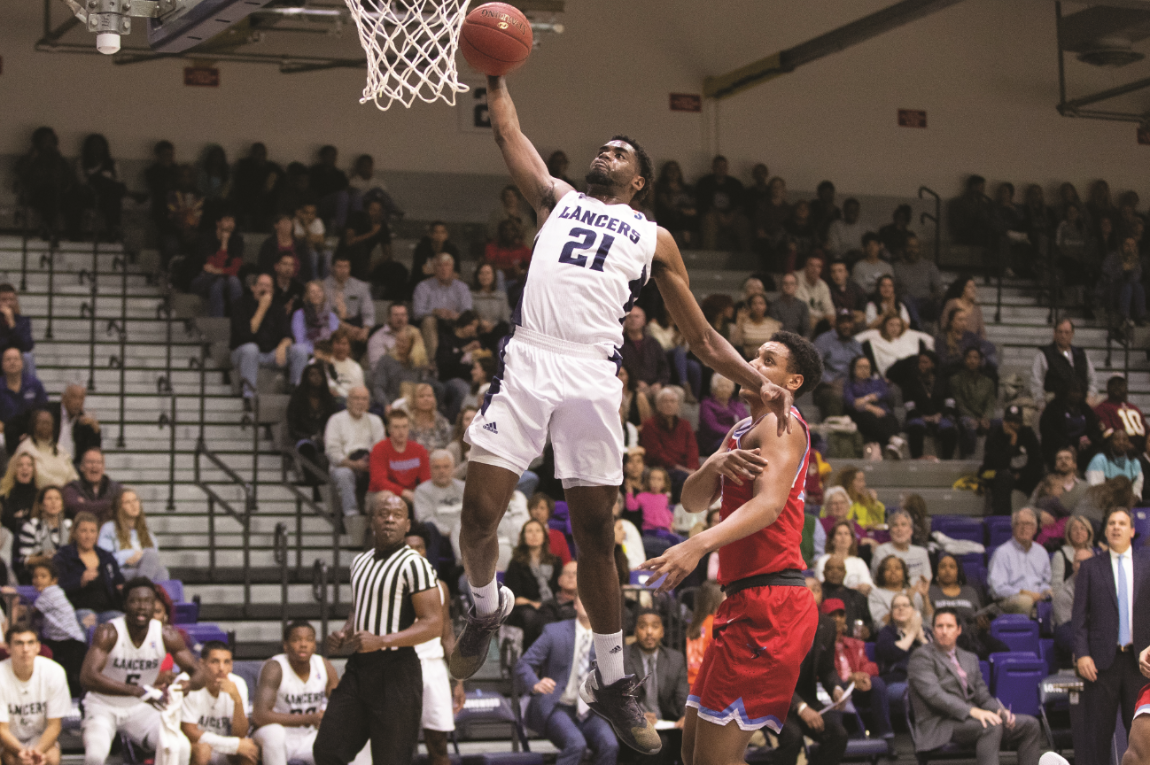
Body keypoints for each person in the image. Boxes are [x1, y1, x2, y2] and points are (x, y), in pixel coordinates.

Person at [450, 75, 797, 758]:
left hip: (589, 373)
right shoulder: (559, 197)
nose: (604, 153)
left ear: (639, 181)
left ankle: (612, 679)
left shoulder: (654, 237)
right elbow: (508, 132)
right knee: (479, 514)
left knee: (596, 530)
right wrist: (495, 74)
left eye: (619, 152)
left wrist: (759, 379)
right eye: (602, 148)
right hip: (529, 358)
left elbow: (701, 338)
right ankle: (486, 607)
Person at [637, 333, 823, 765]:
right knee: (692, 754)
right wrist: (713, 464)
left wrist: (697, 545)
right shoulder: (740, 429)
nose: (752, 363)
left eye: (768, 360)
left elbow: (769, 505)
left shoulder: (782, 424)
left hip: (773, 603)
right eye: (755, 355)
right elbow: (692, 501)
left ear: (792, 382)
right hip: (742, 600)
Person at [316, 494, 442, 765]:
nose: (389, 520)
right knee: (327, 749)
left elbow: (433, 624)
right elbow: (360, 608)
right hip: (359, 668)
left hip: (397, 670)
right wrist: (345, 632)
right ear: (372, 520)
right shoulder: (360, 562)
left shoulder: (415, 564)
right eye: (383, 514)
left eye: (397, 515)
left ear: (407, 524)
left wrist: (382, 640)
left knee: (391, 760)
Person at [80, 578, 204, 765]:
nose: (142, 607)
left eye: (147, 601)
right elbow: (87, 678)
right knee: (95, 756)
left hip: (140, 707)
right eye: (135, 601)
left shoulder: (166, 634)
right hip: (103, 705)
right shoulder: (109, 632)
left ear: (154, 605)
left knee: (180, 746)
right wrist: (137, 690)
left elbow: (200, 673)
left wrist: (189, 684)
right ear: (125, 604)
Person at [908, 609, 1042, 765]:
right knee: (990, 726)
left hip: (971, 720)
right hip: (940, 724)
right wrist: (972, 711)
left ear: (958, 630)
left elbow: (982, 696)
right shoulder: (921, 657)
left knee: (1030, 725)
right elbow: (935, 695)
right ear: (933, 630)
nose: (944, 631)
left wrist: (1000, 711)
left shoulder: (969, 658)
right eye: (940, 626)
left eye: (949, 626)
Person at [1072, 507, 1150, 765]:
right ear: (1105, 531)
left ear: (1132, 530)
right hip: (1101, 662)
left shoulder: (1147, 563)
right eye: (1112, 523)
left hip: (1140, 662)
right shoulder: (1090, 567)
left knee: (1141, 737)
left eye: (1122, 523)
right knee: (1098, 735)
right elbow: (1079, 617)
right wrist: (1082, 654)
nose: (1116, 527)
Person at [515, 593, 620, 765]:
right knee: (576, 744)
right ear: (575, 604)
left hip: (590, 711)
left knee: (610, 744)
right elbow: (524, 664)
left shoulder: (609, 640)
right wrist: (535, 683)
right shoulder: (554, 631)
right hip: (557, 705)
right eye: (584, 598)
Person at [401, 530, 465, 765]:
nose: (415, 552)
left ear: (426, 552)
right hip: (402, 666)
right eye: (408, 548)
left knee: (439, 743)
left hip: (435, 667)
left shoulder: (441, 587)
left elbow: (446, 635)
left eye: (419, 547)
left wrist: (458, 680)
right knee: (401, 745)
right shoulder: (391, 586)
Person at [775, 584, 849, 765]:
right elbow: (775, 676)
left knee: (838, 735)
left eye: (815, 588)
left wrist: (836, 688)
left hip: (806, 696)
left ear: (821, 595)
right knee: (793, 737)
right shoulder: (779, 623)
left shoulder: (827, 625)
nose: (810, 592)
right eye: (804, 587)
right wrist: (801, 707)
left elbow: (827, 669)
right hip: (774, 701)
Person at [251, 621, 339, 765]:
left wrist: (328, 715)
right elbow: (259, 716)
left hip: (309, 736)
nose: (303, 644)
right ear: (286, 645)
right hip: (280, 736)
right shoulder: (275, 667)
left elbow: (341, 704)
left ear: (314, 645)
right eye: (296, 640)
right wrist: (309, 718)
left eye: (309, 640)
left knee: (350, 735)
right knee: (275, 734)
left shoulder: (324, 666)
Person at [619, 609, 689, 765]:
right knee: (657, 745)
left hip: (666, 722)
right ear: (635, 631)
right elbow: (618, 698)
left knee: (692, 738)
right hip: (634, 725)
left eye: (655, 626)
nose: (649, 632)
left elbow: (682, 695)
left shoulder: (675, 659)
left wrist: (686, 715)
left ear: (662, 632)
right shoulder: (623, 659)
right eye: (643, 626)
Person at [0, 623, 71, 765]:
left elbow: (54, 725)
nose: (25, 649)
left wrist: (37, 752)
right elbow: (2, 728)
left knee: (51, 758)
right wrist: (21, 752)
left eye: (30, 643)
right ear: (8, 648)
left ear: (38, 647)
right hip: (8, 739)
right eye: (19, 643)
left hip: (39, 737)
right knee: (12, 760)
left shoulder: (54, 672)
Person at [231, 273, 310, 396]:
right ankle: (249, 395)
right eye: (261, 285)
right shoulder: (240, 304)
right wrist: (262, 308)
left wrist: (283, 345)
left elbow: (288, 335)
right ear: (253, 287)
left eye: (268, 286)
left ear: (272, 291)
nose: (264, 289)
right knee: (251, 348)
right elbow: (246, 335)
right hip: (244, 353)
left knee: (300, 349)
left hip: (271, 354)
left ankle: (298, 393)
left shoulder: (278, 307)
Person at [180, 641, 258, 765]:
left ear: (231, 666)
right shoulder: (189, 682)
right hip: (196, 746)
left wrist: (237, 700)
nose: (221, 668)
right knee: (202, 750)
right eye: (215, 662)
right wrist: (232, 745)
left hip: (223, 748)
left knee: (249, 752)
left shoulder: (238, 683)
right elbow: (189, 732)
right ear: (202, 664)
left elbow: (240, 734)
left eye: (226, 662)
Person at [825, 598, 892, 739]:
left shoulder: (855, 644)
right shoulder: (820, 646)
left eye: (841, 615)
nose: (837, 619)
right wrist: (850, 678)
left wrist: (861, 675)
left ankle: (886, 735)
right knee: (839, 685)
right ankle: (846, 737)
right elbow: (823, 672)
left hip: (856, 688)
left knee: (877, 683)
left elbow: (871, 666)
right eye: (832, 615)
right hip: (834, 689)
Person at [26, 556, 86, 695]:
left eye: (43, 576)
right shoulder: (54, 592)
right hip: (58, 639)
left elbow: (31, 612)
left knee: (73, 677)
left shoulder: (50, 593)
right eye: (35, 577)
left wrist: (14, 601)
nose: (38, 580)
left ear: (53, 580)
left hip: (70, 641)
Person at [324, 387, 385, 518]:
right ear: (348, 401)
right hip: (344, 464)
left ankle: (377, 515)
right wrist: (353, 464)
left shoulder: (376, 421)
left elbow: (380, 448)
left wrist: (370, 463)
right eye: (356, 398)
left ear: (368, 403)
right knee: (344, 474)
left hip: (370, 464)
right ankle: (352, 515)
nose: (360, 402)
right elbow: (332, 451)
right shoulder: (336, 420)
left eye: (364, 399)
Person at [54, 511, 122, 627]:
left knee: (120, 621)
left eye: (92, 531)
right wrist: (80, 581)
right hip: (77, 609)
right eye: (83, 531)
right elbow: (56, 587)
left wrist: (122, 586)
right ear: (74, 533)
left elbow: (118, 580)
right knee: (88, 618)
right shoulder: (63, 555)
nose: (88, 536)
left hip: (107, 610)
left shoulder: (106, 556)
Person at [980, 405, 1043, 516]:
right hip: (990, 473)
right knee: (1004, 476)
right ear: (1003, 421)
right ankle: (1001, 518)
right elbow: (1000, 463)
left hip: (1019, 475)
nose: (1012, 424)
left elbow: (1037, 461)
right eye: (1009, 420)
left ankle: (1031, 515)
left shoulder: (1028, 434)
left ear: (1021, 423)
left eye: (1016, 421)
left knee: (1040, 476)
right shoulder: (994, 434)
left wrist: (1021, 475)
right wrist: (1012, 441)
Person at [987, 507, 1051, 615]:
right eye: (1019, 524)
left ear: (1035, 529)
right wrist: (1024, 593)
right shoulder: (1002, 552)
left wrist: (1045, 592)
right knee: (1025, 601)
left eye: (1028, 524)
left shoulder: (1041, 552)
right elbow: (997, 589)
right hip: (1010, 600)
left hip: (1038, 597)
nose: (1024, 528)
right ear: (1013, 528)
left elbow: (1046, 582)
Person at [639, 388, 700, 500]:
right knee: (682, 477)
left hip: (686, 469)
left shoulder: (685, 425)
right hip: (663, 468)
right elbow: (656, 454)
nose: (669, 404)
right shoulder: (650, 425)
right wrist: (684, 470)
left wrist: (692, 469)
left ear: (678, 405)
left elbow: (692, 449)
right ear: (658, 405)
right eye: (665, 401)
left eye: (672, 401)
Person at [96, 489, 169, 582]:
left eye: (135, 500)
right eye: (128, 502)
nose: (133, 505)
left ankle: (142, 587)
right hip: (119, 571)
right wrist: (127, 557)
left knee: (162, 571)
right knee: (151, 557)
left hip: (141, 570)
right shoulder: (109, 528)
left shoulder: (148, 533)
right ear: (119, 507)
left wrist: (142, 557)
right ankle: (142, 587)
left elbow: (153, 560)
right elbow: (103, 557)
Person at [412, 450, 465, 573]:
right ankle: (432, 577)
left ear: (453, 468)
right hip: (441, 538)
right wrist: (450, 532)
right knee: (428, 527)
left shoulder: (464, 487)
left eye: (446, 467)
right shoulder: (422, 491)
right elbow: (425, 519)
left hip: (466, 534)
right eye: (437, 467)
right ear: (430, 469)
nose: (442, 471)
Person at [412, 254, 472, 360]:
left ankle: (462, 360)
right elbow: (417, 312)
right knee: (429, 321)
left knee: (467, 323)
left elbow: (467, 311)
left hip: (454, 322)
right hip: (433, 323)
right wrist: (434, 312)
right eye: (440, 265)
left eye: (447, 265)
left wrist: (456, 315)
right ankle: (433, 361)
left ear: (452, 268)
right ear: (434, 268)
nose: (443, 269)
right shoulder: (423, 287)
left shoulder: (462, 288)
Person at [843, 355, 904, 459]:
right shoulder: (850, 384)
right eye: (861, 367)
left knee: (891, 419)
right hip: (861, 414)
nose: (864, 370)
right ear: (854, 369)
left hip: (881, 412)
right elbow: (852, 402)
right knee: (868, 419)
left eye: (867, 367)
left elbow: (884, 393)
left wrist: (863, 400)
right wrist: (869, 402)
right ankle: (892, 440)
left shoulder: (876, 381)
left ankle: (893, 447)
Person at [368, 410, 430, 505]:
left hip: (411, 492)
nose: (401, 431)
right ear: (389, 429)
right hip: (381, 493)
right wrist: (403, 492)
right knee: (388, 497)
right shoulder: (379, 449)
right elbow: (379, 481)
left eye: (404, 427)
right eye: (396, 427)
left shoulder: (419, 449)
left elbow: (426, 479)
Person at [286, 362, 339, 475]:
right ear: (306, 378)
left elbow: (335, 423)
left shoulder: (329, 399)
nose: (316, 377)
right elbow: (292, 428)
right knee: (307, 448)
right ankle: (314, 480)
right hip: (304, 439)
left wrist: (325, 437)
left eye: (319, 374)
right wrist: (311, 437)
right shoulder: (297, 398)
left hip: (326, 439)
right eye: (312, 374)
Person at [1031, 319, 1098, 404]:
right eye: (1060, 332)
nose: (1063, 336)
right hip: (1055, 403)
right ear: (1055, 333)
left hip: (1081, 402)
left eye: (1067, 332)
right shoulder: (1044, 354)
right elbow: (1036, 382)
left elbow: (1092, 379)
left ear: (1072, 334)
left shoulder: (1081, 354)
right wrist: (1041, 403)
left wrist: (1091, 396)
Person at [190, 213, 244, 318]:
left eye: (233, 221)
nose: (231, 224)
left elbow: (235, 268)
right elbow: (214, 266)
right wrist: (224, 244)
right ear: (218, 223)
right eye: (227, 220)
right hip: (203, 278)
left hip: (224, 277)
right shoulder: (206, 238)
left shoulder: (237, 240)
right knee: (218, 283)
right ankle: (217, 322)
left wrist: (219, 271)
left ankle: (239, 320)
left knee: (234, 281)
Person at [16, 488, 70, 585]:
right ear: (41, 505)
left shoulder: (69, 526)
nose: (53, 502)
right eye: (49, 498)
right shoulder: (31, 527)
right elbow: (24, 560)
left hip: (68, 575)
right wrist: (44, 558)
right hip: (39, 577)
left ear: (62, 504)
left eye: (57, 498)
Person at [12, 410, 77, 490]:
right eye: (42, 423)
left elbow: (73, 476)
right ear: (34, 425)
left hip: (64, 493)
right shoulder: (25, 448)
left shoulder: (60, 449)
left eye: (48, 423)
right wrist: (59, 488)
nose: (45, 426)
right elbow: (38, 477)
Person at [950, 346, 996, 458]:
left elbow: (990, 403)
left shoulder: (988, 382)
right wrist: (975, 419)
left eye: (975, 358)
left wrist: (986, 418)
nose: (972, 361)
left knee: (1002, 424)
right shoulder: (955, 380)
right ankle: (968, 458)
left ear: (980, 361)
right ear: (964, 360)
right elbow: (959, 404)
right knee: (969, 424)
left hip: (983, 417)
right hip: (965, 416)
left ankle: (995, 458)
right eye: (969, 357)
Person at [857, 314, 934, 380]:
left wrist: (929, 354)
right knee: (913, 360)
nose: (895, 328)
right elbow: (855, 339)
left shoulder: (908, 334)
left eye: (898, 325)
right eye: (891, 325)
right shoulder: (876, 334)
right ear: (885, 325)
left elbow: (929, 339)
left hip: (910, 368)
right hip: (890, 369)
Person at [0, 349, 47, 454]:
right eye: (8, 359)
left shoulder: (34, 385)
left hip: (31, 431)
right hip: (3, 432)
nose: (12, 362)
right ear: (2, 364)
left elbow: (43, 410)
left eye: (16, 359)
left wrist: (31, 431)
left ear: (22, 363)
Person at [322, 254, 374, 347]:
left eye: (346, 267)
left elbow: (368, 311)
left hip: (355, 322)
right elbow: (326, 313)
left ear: (350, 268)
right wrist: (347, 328)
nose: (343, 270)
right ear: (333, 268)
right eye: (339, 267)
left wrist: (365, 330)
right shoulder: (324, 287)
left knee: (367, 337)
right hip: (333, 323)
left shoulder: (360, 286)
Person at [619, 306, 670, 398]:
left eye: (636, 316)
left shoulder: (653, 343)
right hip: (629, 386)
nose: (633, 320)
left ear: (644, 321)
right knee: (639, 396)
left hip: (655, 386)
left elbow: (664, 368)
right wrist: (635, 383)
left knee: (677, 393)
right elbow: (618, 369)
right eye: (629, 317)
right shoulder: (619, 343)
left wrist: (659, 383)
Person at [814, 514, 874, 593]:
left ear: (851, 540)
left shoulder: (859, 562)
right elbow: (822, 585)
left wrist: (864, 588)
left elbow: (868, 585)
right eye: (839, 533)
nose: (843, 537)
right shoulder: (824, 560)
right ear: (832, 540)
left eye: (846, 534)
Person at [820, 553, 874, 638]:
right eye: (830, 568)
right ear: (824, 573)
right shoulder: (817, 595)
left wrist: (867, 630)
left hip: (853, 641)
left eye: (839, 569)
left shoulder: (857, 596)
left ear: (845, 573)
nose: (835, 572)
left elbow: (869, 623)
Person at [870, 510, 932, 583]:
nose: (899, 529)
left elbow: (926, 580)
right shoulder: (881, 551)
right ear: (890, 531)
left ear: (911, 530)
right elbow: (881, 581)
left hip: (918, 590)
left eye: (903, 525)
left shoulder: (922, 553)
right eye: (895, 525)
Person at [62, 447, 121, 523]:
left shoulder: (115, 488)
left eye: (98, 462)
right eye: (90, 462)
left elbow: (121, 507)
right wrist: (110, 504)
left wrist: (85, 503)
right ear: (82, 467)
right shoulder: (72, 487)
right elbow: (75, 507)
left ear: (103, 467)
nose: (94, 465)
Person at [893, 235, 943, 323]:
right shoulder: (897, 267)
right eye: (909, 246)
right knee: (907, 299)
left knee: (938, 304)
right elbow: (893, 288)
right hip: (906, 301)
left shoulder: (929, 266)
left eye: (915, 247)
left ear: (920, 249)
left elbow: (939, 289)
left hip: (925, 301)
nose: (912, 250)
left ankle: (919, 326)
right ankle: (918, 327)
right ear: (904, 248)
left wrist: (930, 297)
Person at [366, 303, 428, 372]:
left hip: (414, 374)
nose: (400, 318)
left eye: (403, 315)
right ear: (388, 318)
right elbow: (377, 369)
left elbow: (422, 361)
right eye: (396, 315)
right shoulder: (377, 338)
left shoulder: (415, 333)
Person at [870, 556, 930, 626]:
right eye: (888, 568)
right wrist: (909, 599)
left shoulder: (913, 592)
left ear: (904, 572)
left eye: (897, 568)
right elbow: (881, 623)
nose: (893, 571)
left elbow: (929, 621)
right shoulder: (876, 594)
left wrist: (925, 596)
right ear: (882, 573)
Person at [696, 375, 748, 456]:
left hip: (737, 438)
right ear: (714, 389)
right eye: (721, 386)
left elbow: (747, 422)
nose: (725, 389)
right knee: (738, 445)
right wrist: (734, 433)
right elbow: (712, 427)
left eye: (728, 387)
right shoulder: (707, 404)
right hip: (715, 441)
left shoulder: (737, 405)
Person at [1095, 375, 1147, 453]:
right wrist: (1125, 444)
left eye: (1120, 385)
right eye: (1114, 385)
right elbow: (1108, 433)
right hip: (1118, 451)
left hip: (1142, 449)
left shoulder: (1134, 408)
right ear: (1108, 388)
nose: (1117, 387)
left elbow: (1147, 430)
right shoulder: (1102, 408)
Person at [409, 222, 461, 298]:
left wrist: (435, 270)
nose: (439, 235)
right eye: (436, 232)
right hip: (422, 287)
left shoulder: (452, 250)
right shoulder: (422, 248)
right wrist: (445, 272)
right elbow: (424, 270)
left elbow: (456, 274)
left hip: (445, 289)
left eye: (442, 232)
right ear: (430, 234)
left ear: (446, 235)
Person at [1087, 428, 1144, 497]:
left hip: (1129, 502)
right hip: (1104, 501)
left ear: (1129, 443)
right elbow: (1095, 492)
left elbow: (1137, 492)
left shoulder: (1135, 463)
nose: (1121, 442)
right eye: (1117, 439)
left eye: (1124, 439)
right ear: (1110, 442)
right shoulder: (1099, 460)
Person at [259, 212, 314, 283]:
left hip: (298, 281)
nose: (287, 225)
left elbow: (306, 267)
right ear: (276, 225)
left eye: (289, 223)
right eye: (284, 223)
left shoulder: (300, 245)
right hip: (273, 281)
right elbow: (264, 266)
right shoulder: (269, 244)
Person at [291, 281, 341, 358]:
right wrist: (315, 352)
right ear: (307, 295)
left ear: (323, 294)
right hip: (307, 354)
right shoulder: (299, 315)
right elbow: (299, 342)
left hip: (329, 353)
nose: (316, 294)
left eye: (319, 291)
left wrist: (325, 353)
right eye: (312, 292)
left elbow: (335, 339)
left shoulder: (332, 316)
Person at [471, 262, 512, 349]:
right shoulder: (472, 296)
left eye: (488, 273)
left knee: (503, 327)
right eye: (481, 273)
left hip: (497, 331)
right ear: (477, 276)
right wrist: (481, 323)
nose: (485, 276)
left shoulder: (502, 296)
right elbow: (470, 315)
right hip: (479, 330)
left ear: (493, 276)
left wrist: (492, 326)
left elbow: (505, 319)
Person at [729, 294, 781, 360]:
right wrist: (740, 322)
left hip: (768, 360)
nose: (758, 306)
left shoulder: (773, 324)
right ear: (750, 306)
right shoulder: (744, 323)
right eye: (754, 303)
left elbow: (778, 346)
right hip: (748, 360)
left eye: (761, 303)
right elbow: (734, 343)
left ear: (766, 306)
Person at [1052, 515, 1095, 592]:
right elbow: (1056, 587)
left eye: (1082, 528)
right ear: (1069, 533)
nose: (1079, 532)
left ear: (1088, 532)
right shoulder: (1060, 555)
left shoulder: (1095, 554)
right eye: (1075, 529)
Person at [0, 454, 36, 544]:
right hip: (10, 540)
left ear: (33, 470)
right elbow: (8, 522)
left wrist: (19, 516)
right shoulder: (5, 496)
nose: (25, 468)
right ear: (14, 470)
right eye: (20, 465)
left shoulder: (39, 495)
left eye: (29, 465)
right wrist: (26, 515)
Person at [527, 495, 573, 566]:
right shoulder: (525, 534)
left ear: (548, 511)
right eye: (535, 508)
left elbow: (567, 563)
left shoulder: (558, 536)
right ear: (529, 511)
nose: (538, 512)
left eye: (542, 508)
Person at [406, 384, 452, 452]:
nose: (426, 399)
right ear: (414, 399)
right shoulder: (408, 421)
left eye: (429, 396)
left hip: (438, 456)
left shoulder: (440, 420)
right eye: (421, 396)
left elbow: (448, 442)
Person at [323, 330, 365, 404]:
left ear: (349, 347)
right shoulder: (322, 362)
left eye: (344, 344)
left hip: (349, 403)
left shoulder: (356, 367)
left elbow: (359, 391)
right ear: (331, 345)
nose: (341, 347)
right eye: (338, 343)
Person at [796, 254, 835, 333]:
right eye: (811, 265)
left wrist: (830, 317)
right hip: (799, 319)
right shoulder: (796, 280)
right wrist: (823, 317)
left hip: (819, 319)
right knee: (811, 320)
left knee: (833, 321)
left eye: (818, 266)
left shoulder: (822, 285)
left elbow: (829, 308)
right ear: (805, 267)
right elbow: (803, 309)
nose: (815, 269)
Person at [768, 273, 810, 338]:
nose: (788, 286)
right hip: (780, 339)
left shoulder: (802, 305)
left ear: (796, 286)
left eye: (791, 284)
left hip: (798, 340)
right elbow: (775, 329)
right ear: (781, 286)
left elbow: (806, 329)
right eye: (785, 283)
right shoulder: (774, 305)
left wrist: (804, 339)